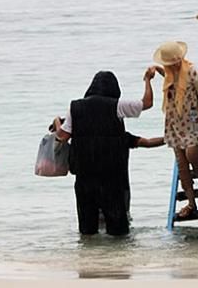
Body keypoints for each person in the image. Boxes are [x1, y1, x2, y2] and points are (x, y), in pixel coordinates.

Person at [53, 70, 153, 236]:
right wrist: (148, 80)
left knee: (87, 229)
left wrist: (57, 122)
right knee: (118, 229)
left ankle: (89, 258)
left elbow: (62, 136)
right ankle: (117, 258)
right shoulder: (117, 105)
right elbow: (147, 103)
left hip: (85, 174)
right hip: (111, 174)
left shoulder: (75, 106)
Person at [151, 41, 198, 219]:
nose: (171, 67)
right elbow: (169, 79)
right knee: (182, 163)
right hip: (175, 122)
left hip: (193, 120)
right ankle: (191, 202)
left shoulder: (193, 72)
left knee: (191, 153)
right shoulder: (169, 72)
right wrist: (156, 70)